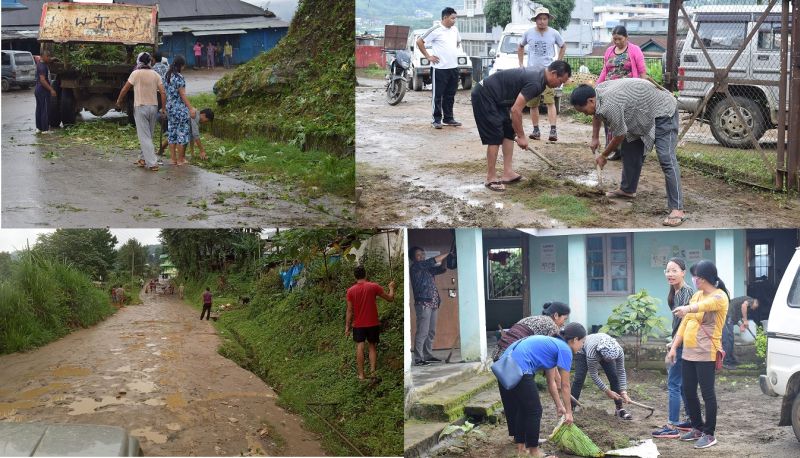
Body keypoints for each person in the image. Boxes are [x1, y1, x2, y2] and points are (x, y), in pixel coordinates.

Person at [570, 81, 686, 226]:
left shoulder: (610, 106)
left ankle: (677, 209)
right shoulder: (597, 92)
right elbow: (596, 114)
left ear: (591, 100)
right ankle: (627, 190)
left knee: (666, 158)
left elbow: (619, 136)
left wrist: (604, 155)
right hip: (640, 114)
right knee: (630, 149)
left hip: (663, 111)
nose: (585, 114)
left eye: (583, 110)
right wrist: (594, 137)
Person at [472, 61, 572, 191]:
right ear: (553, 73)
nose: (560, 85)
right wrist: (522, 136)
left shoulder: (541, 78)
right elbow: (516, 110)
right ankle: (491, 177)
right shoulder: (536, 82)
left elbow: (515, 109)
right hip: (485, 94)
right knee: (495, 136)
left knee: (508, 131)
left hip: (499, 99)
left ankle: (507, 173)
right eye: (560, 81)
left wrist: (517, 133)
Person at [497, 323, 586, 457]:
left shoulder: (552, 345)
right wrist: (569, 412)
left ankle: (521, 449)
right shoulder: (565, 350)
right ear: (574, 340)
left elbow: (554, 383)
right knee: (535, 410)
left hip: (507, 364)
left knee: (523, 407)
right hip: (519, 367)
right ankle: (534, 452)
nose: (582, 346)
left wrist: (560, 406)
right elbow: (566, 385)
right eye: (582, 342)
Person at [668, 260, 730, 449]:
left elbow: (706, 305)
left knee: (707, 394)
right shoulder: (696, 296)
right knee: (688, 390)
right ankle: (697, 427)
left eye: (696, 276)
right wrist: (673, 347)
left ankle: (709, 433)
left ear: (703, 279)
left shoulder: (720, 297)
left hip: (707, 353)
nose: (694, 279)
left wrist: (687, 308)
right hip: (688, 352)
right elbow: (685, 323)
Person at [652, 258, 695, 438]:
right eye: (668, 270)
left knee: (673, 384)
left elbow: (686, 321)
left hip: (684, 343)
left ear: (683, 272)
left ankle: (672, 425)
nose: (670, 274)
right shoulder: (676, 292)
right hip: (681, 341)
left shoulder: (686, 292)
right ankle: (692, 420)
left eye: (674, 270)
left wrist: (674, 343)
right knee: (683, 384)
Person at [596, 25, 647, 161]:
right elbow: (604, 71)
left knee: (628, 123)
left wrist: (642, 89)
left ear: (626, 37)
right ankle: (613, 150)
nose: (617, 42)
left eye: (619, 39)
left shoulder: (635, 50)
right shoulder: (609, 51)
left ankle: (630, 151)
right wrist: (597, 86)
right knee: (609, 120)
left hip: (628, 92)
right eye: (614, 39)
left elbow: (642, 72)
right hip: (609, 91)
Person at [518, 7, 566, 142]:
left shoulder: (554, 33)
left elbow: (563, 45)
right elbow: (520, 46)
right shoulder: (528, 33)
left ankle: (553, 130)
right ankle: (536, 130)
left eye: (545, 19)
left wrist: (558, 62)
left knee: (550, 101)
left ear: (548, 20)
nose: (542, 21)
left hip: (549, 73)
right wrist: (521, 64)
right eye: (540, 19)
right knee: (533, 103)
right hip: (532, 73)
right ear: (536, 20)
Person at [116, 52, 167, 171]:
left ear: (139, 61)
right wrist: (163, 108)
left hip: (140, 107)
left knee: (144, 137)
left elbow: (125, 89)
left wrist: (119, 101)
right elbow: (163, 92)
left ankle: (152, 163)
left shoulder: (135, 73)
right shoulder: (155, 74)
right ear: (150, 61)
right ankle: (142, 159)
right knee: (148, 135)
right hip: (153, 107)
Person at [345, 266, 396, 380]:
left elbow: (349, 310)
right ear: (365, 274)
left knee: (360, 346)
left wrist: (347, 327)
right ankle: (373, 372)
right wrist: (391, 287)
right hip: (373, 322)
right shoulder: (373, 286)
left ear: (355, 276)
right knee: (372, 346)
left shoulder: (350, 291)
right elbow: (390, 298)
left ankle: (361, 375)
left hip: (358, 324)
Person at [416, 7, 463, 129]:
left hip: (453, 67)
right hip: (439, 68)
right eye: (452, 18)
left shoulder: (454, 30)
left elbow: (458, 42)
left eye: (455, 18)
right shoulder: (436, 29)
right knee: (438, 95)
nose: (454, 21)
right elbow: (420, 41)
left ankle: (448, 118)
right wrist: (428, 56)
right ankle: (436, 120)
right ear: (445, 17)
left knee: (450, 95)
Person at [570, 332, 632, 419]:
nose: (609, 362)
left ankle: (619, 409)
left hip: (603, 352)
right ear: (602, 355)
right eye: (608, 360)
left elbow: (621, 371)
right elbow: (594, 375)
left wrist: (623, 392)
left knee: (614, 376)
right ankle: (570, 409)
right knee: (579, 379)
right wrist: (607, 391)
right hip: (583, 350)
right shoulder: (592, 353)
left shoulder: (618, 350)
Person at [410, 246, 450, 366]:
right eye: (418, 254)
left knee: (431, 331)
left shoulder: (428, 269)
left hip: (433, 303)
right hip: (423, 304)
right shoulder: (416, 267)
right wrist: (446, 253)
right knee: (422, 331)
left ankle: (427, 354)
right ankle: (418, 358)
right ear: (413, 258)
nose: (422, 256)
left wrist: (446, 259)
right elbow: (431, 261)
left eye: (423, 254)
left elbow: (442, 269)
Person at [492, 301, 570, 361]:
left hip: (498, 354)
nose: (563, 324)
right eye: (564, 319)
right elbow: (549, 356)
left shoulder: (534, 318)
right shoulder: (552, 325)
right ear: (556, 315)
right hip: (511, 358)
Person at [164, 56, 196, 166]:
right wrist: (191, 108)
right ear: (181, 66)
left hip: (170, 108)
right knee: (182, 133)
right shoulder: (179, 77)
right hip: (180, 109)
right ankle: (180, 159)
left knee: (172, 133)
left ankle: (173, 159)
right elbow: (182, 95)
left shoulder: (167, 75)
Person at [721, 296, 759, 368]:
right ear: (755, 302)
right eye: (755, 307)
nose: (753, 309)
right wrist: (745, 320)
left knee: (731, 339)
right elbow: (743, 305)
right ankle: (726, 362)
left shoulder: (740, 305)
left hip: (729, 317)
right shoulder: (750, 300)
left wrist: (741, 325)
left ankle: (731, 359)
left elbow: (737, 317)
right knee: (727, 339)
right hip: (726, 315)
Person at [34, 51, 57, 134]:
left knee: (39, 108)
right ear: (43, 57)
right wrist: (51, 89)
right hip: (43, 90)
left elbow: (49, 60)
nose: (49, 58)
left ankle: (39, 128)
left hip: (38, 89)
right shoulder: (42, 67)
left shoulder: (41, 63)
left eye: (49, 56)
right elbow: (43, 80)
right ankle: (45, 129)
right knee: (45, 109)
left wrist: (54, 58)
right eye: (48, 56)